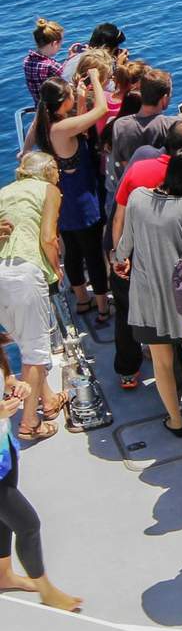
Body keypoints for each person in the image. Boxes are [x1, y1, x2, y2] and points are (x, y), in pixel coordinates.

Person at [109, 120, 182, 390]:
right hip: (181, 279)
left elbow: (119, 219)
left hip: (142, 270)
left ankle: (128, 371)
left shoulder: (138, 173)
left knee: (132, 322)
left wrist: (120, 258)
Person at [113, 149, 182, 435]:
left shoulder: (138, 197)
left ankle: (175, 421)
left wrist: (119, 260)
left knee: (162, 363)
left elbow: (125, 244)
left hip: (148, 296)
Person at [0, 350, 83, 611]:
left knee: (3, 519)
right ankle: (47, 591)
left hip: (4, 448)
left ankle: (3, 574)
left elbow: (6, 379)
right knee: (28, 525)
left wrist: (16, 386)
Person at [32, 72, 110, 324]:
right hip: (83, 203)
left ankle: (82, 299)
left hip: (62, 202)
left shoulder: (46, 125)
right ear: (62, 102)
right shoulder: (62, 128)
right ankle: (103, 308)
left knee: (73, 252)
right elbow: (102, 109)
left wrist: (79, 97)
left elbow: (81, 126)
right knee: (93, 255)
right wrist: (95, 79)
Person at [0, 153, 64, 442]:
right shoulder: (49, 190)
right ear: (48, 171)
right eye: (56, 170)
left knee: (26, 342)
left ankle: (48, 401)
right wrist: (56, 269)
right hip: (24, 274)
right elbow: (48, 237)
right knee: (36, 353)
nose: (59, 175)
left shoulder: (5, 191)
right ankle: (29, 424)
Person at [106, 68, 182, 200]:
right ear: (164, 99)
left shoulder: (120, 124)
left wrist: (179, 119)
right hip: (156, 196)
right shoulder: (172, 125)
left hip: (122, 193)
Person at [22, 18, 76, 105]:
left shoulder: (26, 61)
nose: (60, 47)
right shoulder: (50, 66)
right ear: (54, 44)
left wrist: (68, 58)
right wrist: (71, 60)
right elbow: (69, 78)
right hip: (56, 109)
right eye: (60, 44)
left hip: (39, 108)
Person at [60, 22, 126, 83]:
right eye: (115, 49)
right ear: (107, 49)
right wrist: (119, 67)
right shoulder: (97, 64)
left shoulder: (77, 57)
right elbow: (113, 88)